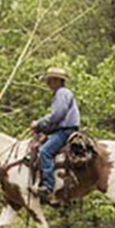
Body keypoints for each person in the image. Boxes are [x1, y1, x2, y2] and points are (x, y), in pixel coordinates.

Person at [30, 66, 81, 202]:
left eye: (51, 81)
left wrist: (39, 123)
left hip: (65, 131)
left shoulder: (61, 93)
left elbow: (57, 115)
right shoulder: (62, 93)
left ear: (58, 81)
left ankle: (48, 186)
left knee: (45, 152)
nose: (48, 84)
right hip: (64, 129)